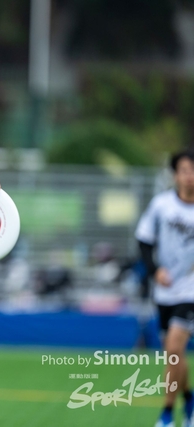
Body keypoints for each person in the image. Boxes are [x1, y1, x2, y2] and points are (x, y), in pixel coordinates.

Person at [136, 149, 194, 427]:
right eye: (185, 170)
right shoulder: (161, 205)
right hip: (165, 291)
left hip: (191, 291)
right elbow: (144, 240)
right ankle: (189, 398)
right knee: (174, 355)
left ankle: (167, 413)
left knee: (173, 348)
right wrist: (155, 270)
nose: (190, 176)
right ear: (175, 175)